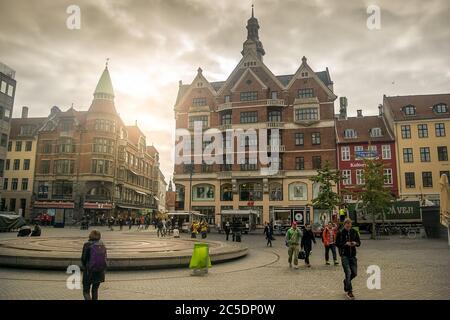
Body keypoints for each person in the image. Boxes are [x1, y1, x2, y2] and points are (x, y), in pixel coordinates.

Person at [336, 218, 361, 300]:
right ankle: (349, 291)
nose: (348, 227)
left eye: (350, 226)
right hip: (344, 256)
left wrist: (355, 243)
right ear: (344, 225)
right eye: (347, 226)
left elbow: (359, 243)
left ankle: (346, 281)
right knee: (348, 273)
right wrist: (345, 244)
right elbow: (337, 244)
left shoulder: (354, 231)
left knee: (354, 273)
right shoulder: (340, 232)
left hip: (353, 256)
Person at [81, 230, 107, 300]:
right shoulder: (102, 244)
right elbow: (105, 258)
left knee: (86, 291)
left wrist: (85, 267)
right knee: (95, 290)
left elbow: (83, 258)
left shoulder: (87, 244)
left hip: (89, 271)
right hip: (100, 271)